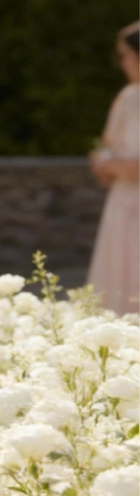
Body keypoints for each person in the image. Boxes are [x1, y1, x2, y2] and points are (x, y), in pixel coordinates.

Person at [86, 21, 140, 315]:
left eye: (125, 55)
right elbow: (109, 145)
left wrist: (118, 166)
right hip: (122, 203)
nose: (123, 63)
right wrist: (104, 165)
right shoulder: (127, 97)